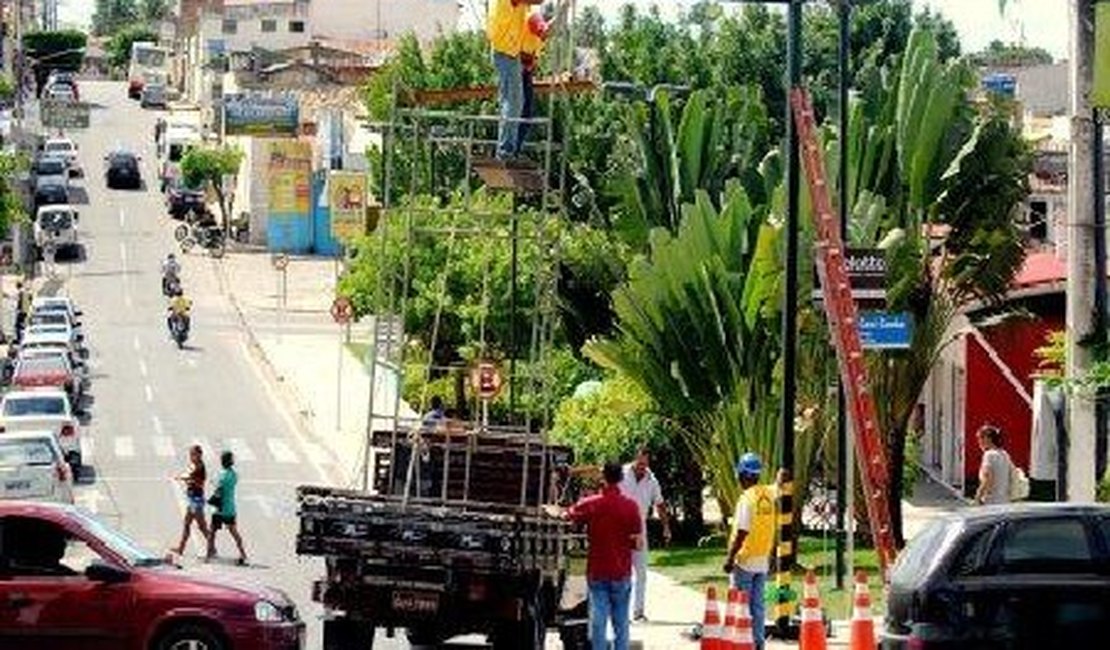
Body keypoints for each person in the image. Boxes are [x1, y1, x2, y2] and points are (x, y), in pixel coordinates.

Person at [553, 462, 642, 650]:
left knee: (598, 621)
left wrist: (555, 511)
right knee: (621, 622)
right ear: (621, 478)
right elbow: (638, 544)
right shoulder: (631, 507)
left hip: (598, 572)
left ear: (603, 478)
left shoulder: (591, 504)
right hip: (621, 572)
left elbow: (568, 515)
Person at [723, 452, 776, 650]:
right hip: (762, 560)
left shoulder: (747, 499)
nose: (737, 478)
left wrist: (729, 558)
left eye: (739, 474)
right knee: (758, 607)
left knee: (741, 606)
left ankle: (741, 643)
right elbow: (779, 485)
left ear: (744, 475)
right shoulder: (767, 494)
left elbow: (742, 532)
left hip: (744, 560)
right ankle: (758, 644)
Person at [619, 448, 672, 622]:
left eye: (646, 464)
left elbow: (660, 504)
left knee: (641, 572)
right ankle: (621, 613)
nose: (643, 467)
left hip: (639, 530)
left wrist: (666, 528)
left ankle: (638, 612)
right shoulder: (622, 473)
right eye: (640, 463)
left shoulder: (651, 479)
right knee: (622, 572)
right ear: (634, 460)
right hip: (620, 529)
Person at [487, 0, 543, 161]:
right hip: (505, 52)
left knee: (516, 102)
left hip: (509, 52)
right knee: (513, 102)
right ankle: (506, 150)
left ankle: (509, 149)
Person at [516, 7, 551, 153]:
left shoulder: (535, 33)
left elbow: (534, 53)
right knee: (522, 111)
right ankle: (512, 148)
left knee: (525, 112)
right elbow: (545, 31)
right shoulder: (533, 18)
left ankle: (514, 148)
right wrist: (564, 9)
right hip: (519, 69)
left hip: (525, 71)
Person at [208, 450, 248, 565]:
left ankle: (209, 554)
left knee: (212, 532)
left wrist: (214, 484)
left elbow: (218, 489)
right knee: (234, 532)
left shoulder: (222, 475)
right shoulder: (234, 475)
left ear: (222, 462)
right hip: (230, 508)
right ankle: (243, 553)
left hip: (220, 509)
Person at [173, 444, 213, 558]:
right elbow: (189, 476)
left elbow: (200, 483)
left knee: (202, 526)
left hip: (196, 500)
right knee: (187, 524)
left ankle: (212, 548)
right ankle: (181, 548)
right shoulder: (195, 465)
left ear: (199, 455)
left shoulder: (200, 467)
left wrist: (187, 479)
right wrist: (185, 478)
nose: (191, 456)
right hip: (192, 499)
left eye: (193, 454)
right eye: (190, 454)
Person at [975, 424, 1013, 505]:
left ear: (987, 439)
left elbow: (987, 479)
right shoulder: (1004, 454)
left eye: (980, 438)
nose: (979, 442)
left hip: (991, 501)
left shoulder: (989, 455)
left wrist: (978, 496)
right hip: (1005, 500)